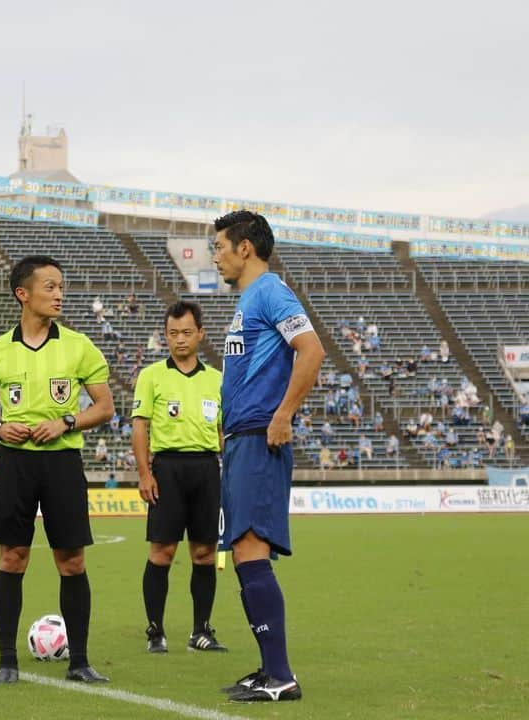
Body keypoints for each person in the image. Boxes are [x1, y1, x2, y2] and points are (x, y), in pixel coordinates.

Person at [0, 255, 115, 685]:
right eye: (49, 287)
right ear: (23, 294)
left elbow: (105, 407)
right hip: (14, 463)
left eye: (61, 287)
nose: (59, 294)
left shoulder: (79, 345)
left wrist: (66, 421)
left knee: (71, 560)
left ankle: (80, 662)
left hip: (62, 462)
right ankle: (7, 661)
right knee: (12, 558)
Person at [211, 211, 324, 703]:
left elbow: (312, 350)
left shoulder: (271, 290)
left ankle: (281, 675)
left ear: (245, 248)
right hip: (241, 439)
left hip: (261, 437)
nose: (214, 255)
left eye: (219, 246)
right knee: (243, 552)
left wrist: (284, 414)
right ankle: (269, 669)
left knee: (251, 550)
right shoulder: (248, 302)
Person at [132, 300, 226, 654]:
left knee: (204, 552)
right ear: (165, 336)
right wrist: (144, 473)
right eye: (173, 333)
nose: (180, 340)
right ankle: (155, 630)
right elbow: (140, 426)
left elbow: (222, 431)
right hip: (167, 469)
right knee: (162, 552)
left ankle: (201, 630)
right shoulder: (151, 376)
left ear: (200, 334)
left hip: (206, 469)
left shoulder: (217, 379)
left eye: (186, 332)